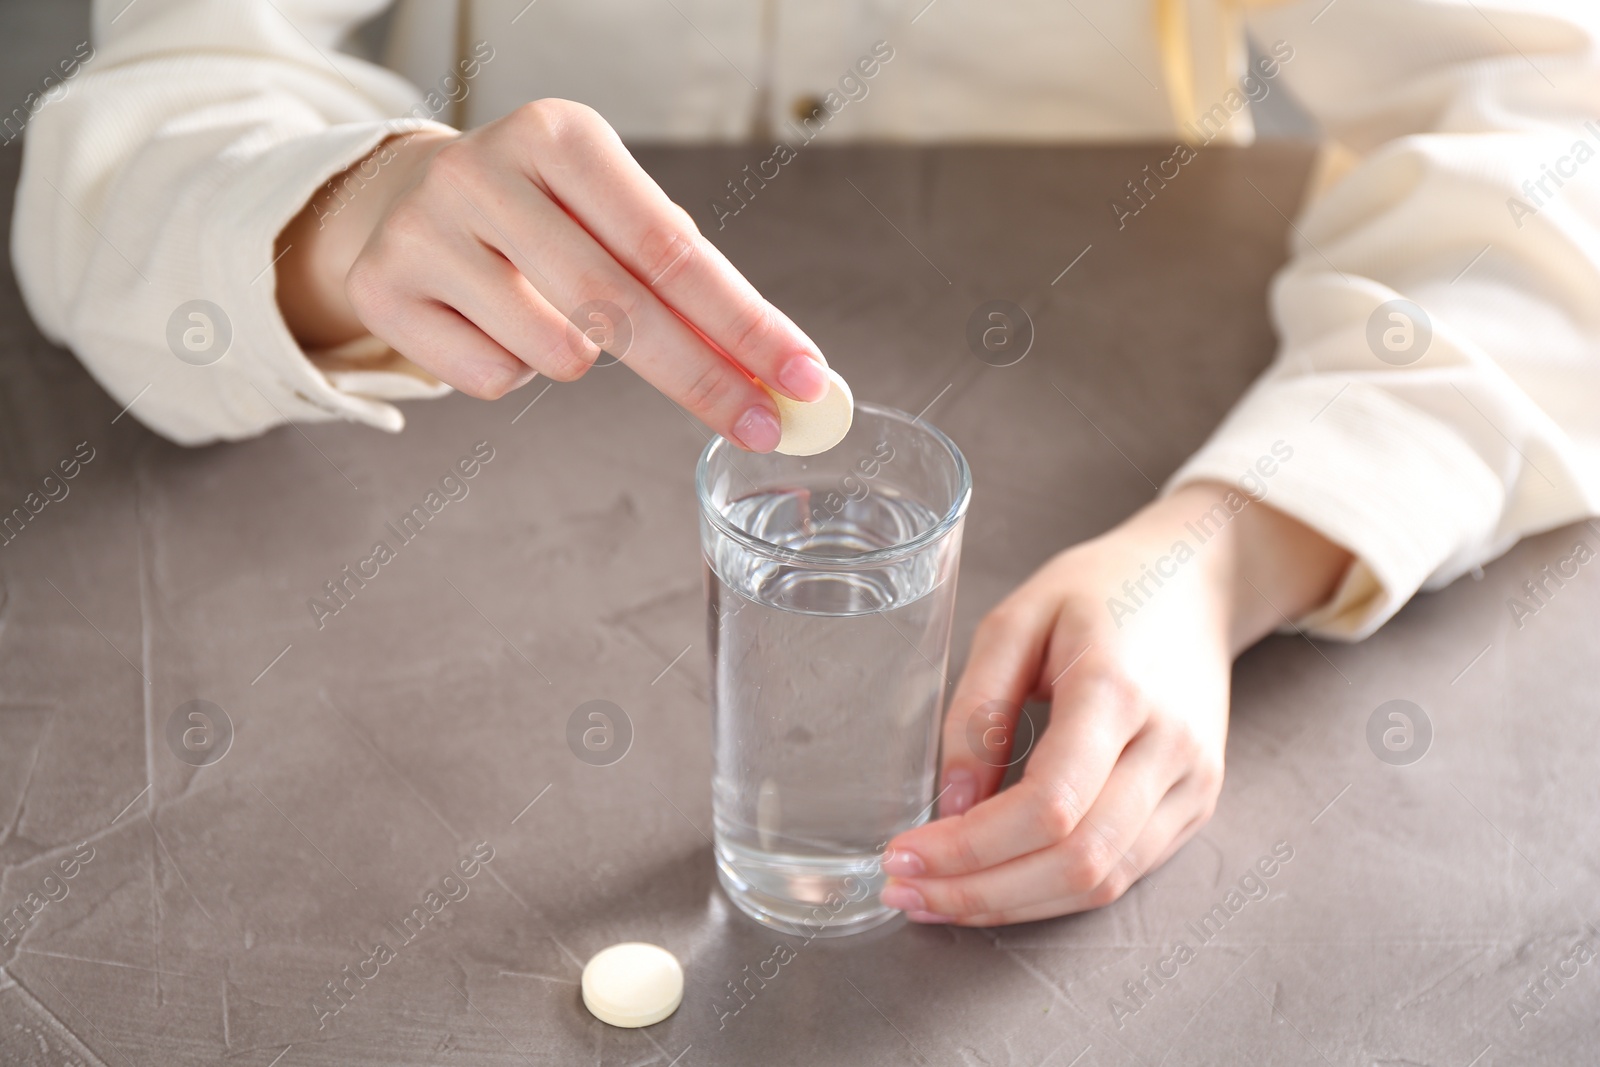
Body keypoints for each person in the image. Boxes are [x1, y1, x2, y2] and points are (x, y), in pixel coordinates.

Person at [12, 0, 1600, 926]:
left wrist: (1237, 546)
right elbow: (163, 95)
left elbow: (1550, 110)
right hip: (468, 482)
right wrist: (333, 211)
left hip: (1129, 391)